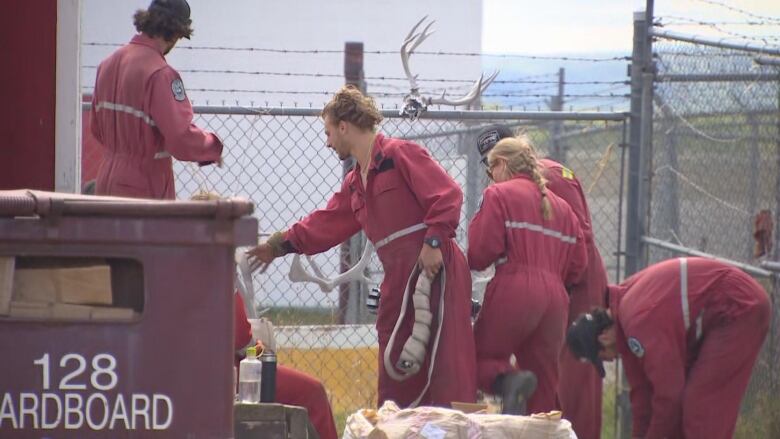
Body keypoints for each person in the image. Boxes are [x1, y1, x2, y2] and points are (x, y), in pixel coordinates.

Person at [247, 85, 477, 408]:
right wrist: (279, 244)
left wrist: (435, 240)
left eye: (328, 132)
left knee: (444, 362)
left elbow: (447, 194)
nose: (327, 141)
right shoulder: (356, 182)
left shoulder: (400, 155)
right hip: (398, 278)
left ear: (344, 126)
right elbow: (326, 222)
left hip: (434, 267)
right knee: (395, 360)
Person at [476, 125, 607, 436]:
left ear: (507, 159)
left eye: (492, 162)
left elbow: (581, 240)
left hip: (577, 286)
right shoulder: (531, 184)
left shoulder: (551, 176)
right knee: (543, 376)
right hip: (557, 286)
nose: (490, 172)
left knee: (577, 381)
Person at [567, 257, 770, 439]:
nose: (610, 360)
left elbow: (669, 397)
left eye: (602, 356)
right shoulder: (626, 319)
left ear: (603, 337)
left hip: (737, 306)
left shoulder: (638, 320)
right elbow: (643, 399)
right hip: (725, 310)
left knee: (700, 406)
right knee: (689, 407)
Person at [90, 0, 223, 200]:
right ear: (177, 32)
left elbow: (96, 129)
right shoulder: (160, 74)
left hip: (106, 178)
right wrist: (212, 147)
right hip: (143, 186)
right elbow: (180, 137)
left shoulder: (108, 64)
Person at [233, 292, 338, 439]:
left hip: (198, 372)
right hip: (228, 373)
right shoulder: (217, 275)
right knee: (312, 391)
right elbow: (243, 343)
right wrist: (261, 347)